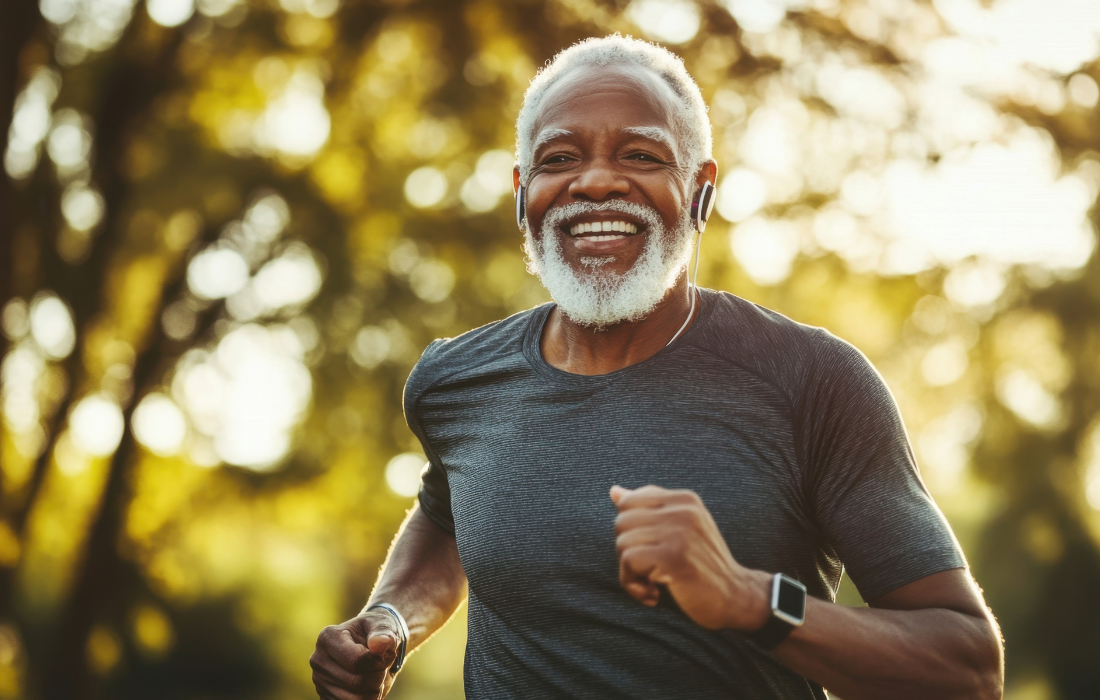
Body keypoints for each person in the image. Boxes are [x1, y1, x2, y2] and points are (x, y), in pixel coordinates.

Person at [310, 35, 1004, 700]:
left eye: (641, 155)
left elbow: (966, 669)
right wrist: (390, 623)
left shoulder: (813, 382)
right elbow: (448, 517)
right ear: (523, 191)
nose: (597, 181)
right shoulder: (455, 382)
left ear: (700, 190)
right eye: (559, 158)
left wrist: (747, 599)